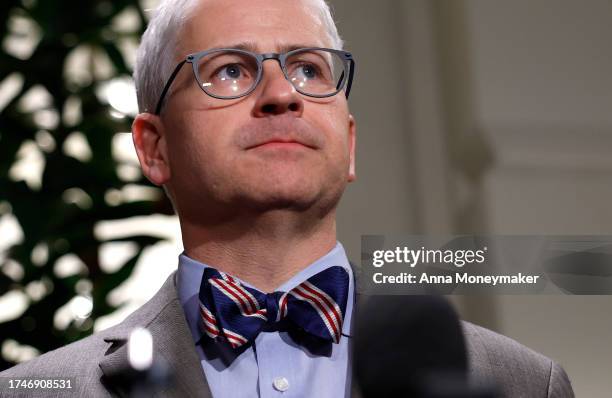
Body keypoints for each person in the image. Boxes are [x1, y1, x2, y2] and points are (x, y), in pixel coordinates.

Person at [0, 0, 574, 397]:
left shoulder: (527, 385)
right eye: (228, 71)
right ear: (154, 148)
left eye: (307, 68)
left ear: (348, 145)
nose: (281, 96)